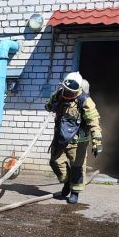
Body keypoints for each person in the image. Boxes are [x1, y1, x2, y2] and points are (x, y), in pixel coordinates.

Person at [45, 71, 102, 204]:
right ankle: (66, 182)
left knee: (77, 166)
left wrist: (96, 141)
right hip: (60, 137)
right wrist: (52, 104)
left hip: (78, 141)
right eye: (66, 90)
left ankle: (75, 191)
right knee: (55, 162)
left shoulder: (85, 101)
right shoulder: (59, 95)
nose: (68, 94)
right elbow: (48, 107)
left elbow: (94, 121)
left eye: (71, 92)